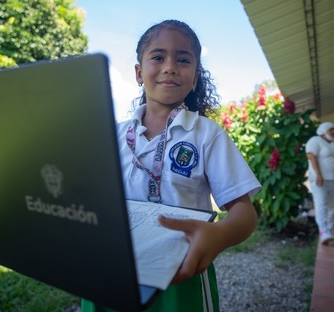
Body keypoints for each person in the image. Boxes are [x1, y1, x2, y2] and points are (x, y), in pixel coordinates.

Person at [82, 20, 261, 312]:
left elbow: (243, 211)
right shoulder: (111, 134)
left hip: (179, 275)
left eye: (183, 59)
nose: (170, 66)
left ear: (194, 78)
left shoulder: (206, 135)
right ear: (139, 73)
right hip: (110, 268)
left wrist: (220, 235)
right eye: (157, 57)